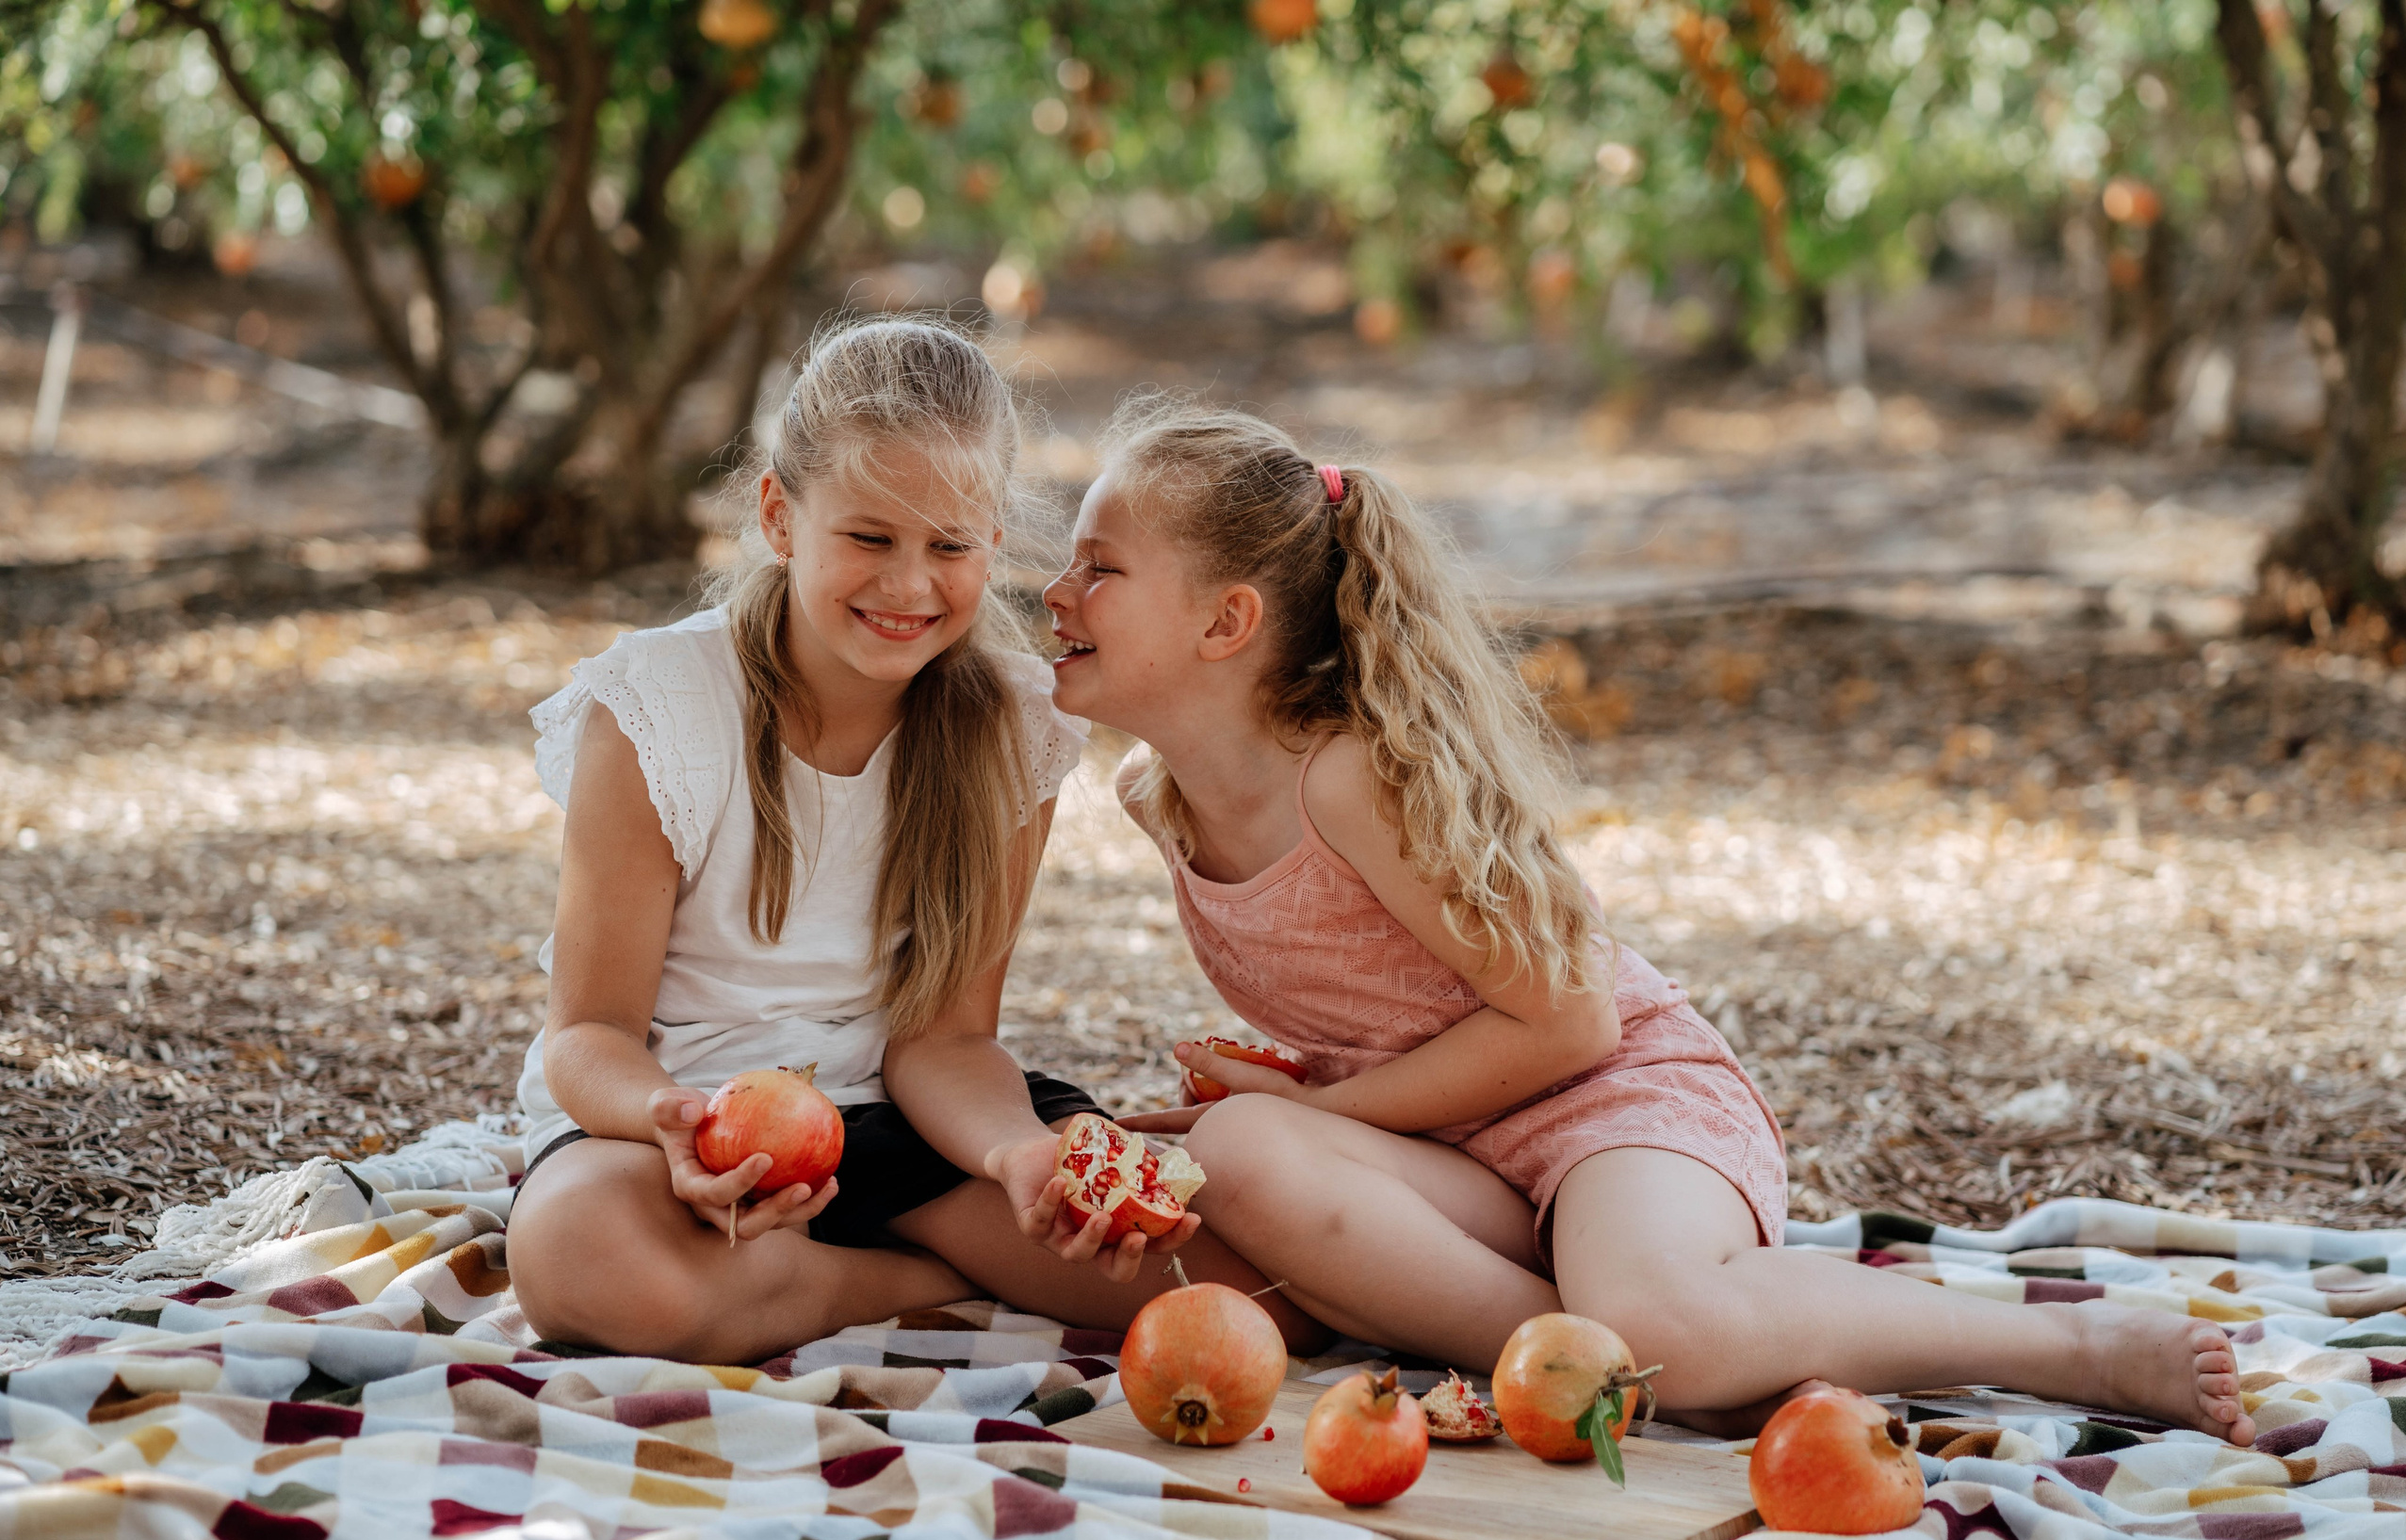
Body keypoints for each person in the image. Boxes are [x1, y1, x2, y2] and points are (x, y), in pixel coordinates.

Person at [1038, 397, 2256, 1445]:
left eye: (1100, 565)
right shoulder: (1163, 798)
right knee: (1241, 1152)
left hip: (1618, 1107)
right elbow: (1368, 1012)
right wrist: (1270, 1102)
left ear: (1225, 622)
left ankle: (2074, 1345)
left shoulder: (1346, 779)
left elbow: (1569, 1023)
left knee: (1637, 1303)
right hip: (1460, 1152)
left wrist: (1317, 1110)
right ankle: (1630, 1359)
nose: (1057, 590)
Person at [506, 325, 1314, 1365]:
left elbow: (944, 1038)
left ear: (992, 542)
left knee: (1262, 1302)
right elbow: (585, 1038)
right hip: (685, 1138)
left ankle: (820, 1278)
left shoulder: (1012, 726)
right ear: (778, 516)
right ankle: (896, 1282)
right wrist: (667, 1115)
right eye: (869, 538)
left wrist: (1017, 1155)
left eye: (949, 546)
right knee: (579, 1261)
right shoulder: (658, 711)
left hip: (911, 1123)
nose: (909, 585)